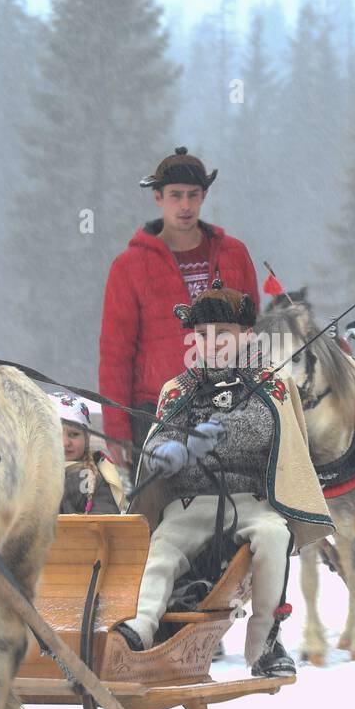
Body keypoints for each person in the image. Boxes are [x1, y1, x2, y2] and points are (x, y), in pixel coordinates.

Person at [112, 279, 333, 677]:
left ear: (246, 336)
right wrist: (166, 451)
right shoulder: (177, 389)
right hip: (188, 505)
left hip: (250, 502)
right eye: (202, 335)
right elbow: (160, 435)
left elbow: (265, 429)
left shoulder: (271, 383)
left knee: (274, 535)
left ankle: (264, 641)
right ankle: (141, 627)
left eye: (223, 335)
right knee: (161, 548)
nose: (211, 343)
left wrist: (217, 431)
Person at [98, 147, 259, 471]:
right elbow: (115, 353)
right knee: (160, 516)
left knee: (237, 506)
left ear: (204, 196)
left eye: (193, 195)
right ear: (158, 197)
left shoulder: (234, 254)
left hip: (230, 402)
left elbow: (256, 333)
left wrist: (260, 399)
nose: (185, 205)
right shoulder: (129, 266)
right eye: (175, 195)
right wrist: (117, 430)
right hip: (156, 410)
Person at [51, 392, 125, 515]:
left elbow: (105, 519)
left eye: (74, 434)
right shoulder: (29, 475)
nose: (65, 443)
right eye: (56, 434)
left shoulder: (92, 476)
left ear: (87, 438)